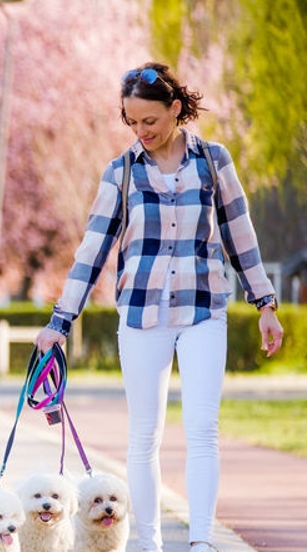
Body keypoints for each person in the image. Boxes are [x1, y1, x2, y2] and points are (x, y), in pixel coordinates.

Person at [34, 62, 283, 552]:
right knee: (144, 434)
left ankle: (201, 543)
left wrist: (265, 302)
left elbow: (239, 233)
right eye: (131, 121)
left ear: (175, 109)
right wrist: (59, 322)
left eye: (149, 120)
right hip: (142, 314)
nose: (140, 131)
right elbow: (93, 250)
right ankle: (146, 542)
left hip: (203, 309)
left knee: (202, 429)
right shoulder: (121, 172)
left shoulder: (213, 161)